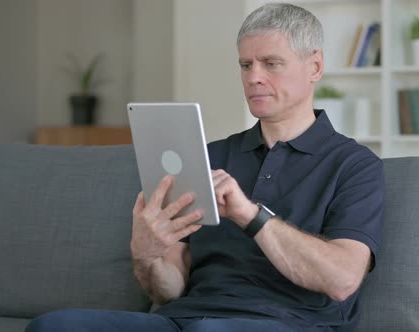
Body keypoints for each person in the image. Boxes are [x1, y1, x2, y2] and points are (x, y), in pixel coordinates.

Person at [26, 3, 385, 332]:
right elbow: (170, 290)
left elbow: (342, 280)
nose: (253, 77)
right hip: (185, 319)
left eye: (271, 63)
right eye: (246, 65)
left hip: (285, 323)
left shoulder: (354, 165)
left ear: (315, 67)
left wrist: (250, 215)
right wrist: (146, 255)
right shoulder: (209, 156)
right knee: (53, 326)